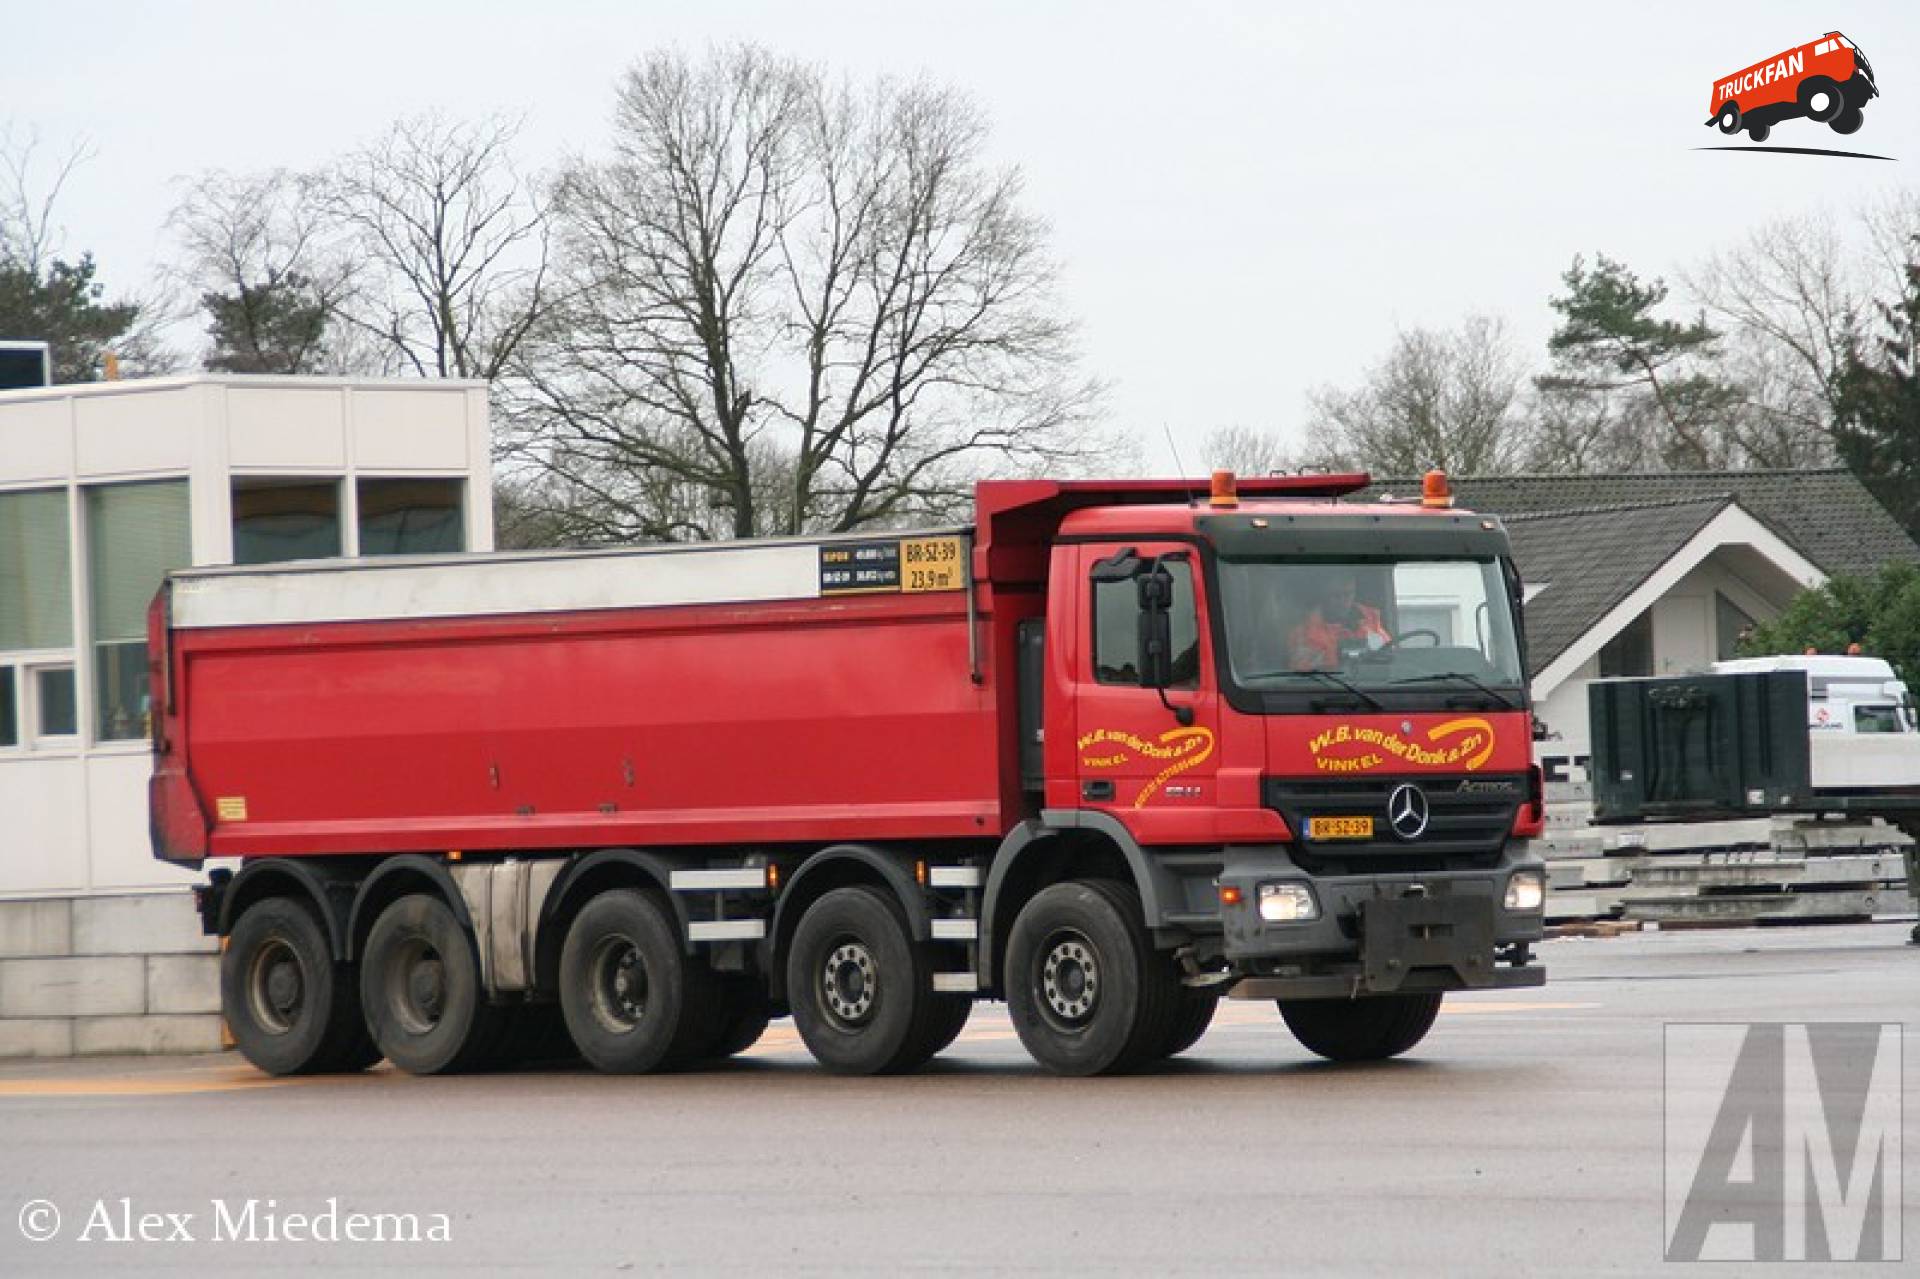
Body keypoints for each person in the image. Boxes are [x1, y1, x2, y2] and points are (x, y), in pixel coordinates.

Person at [1288, 571, 1390, 670]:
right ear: (1324, 595)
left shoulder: (1371, 621)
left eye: (1348, 594)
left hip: (1369, 685)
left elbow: (1388, 656)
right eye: (1336, 595)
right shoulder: (1304, 632)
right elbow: (1300, 675)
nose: (1343, 601)